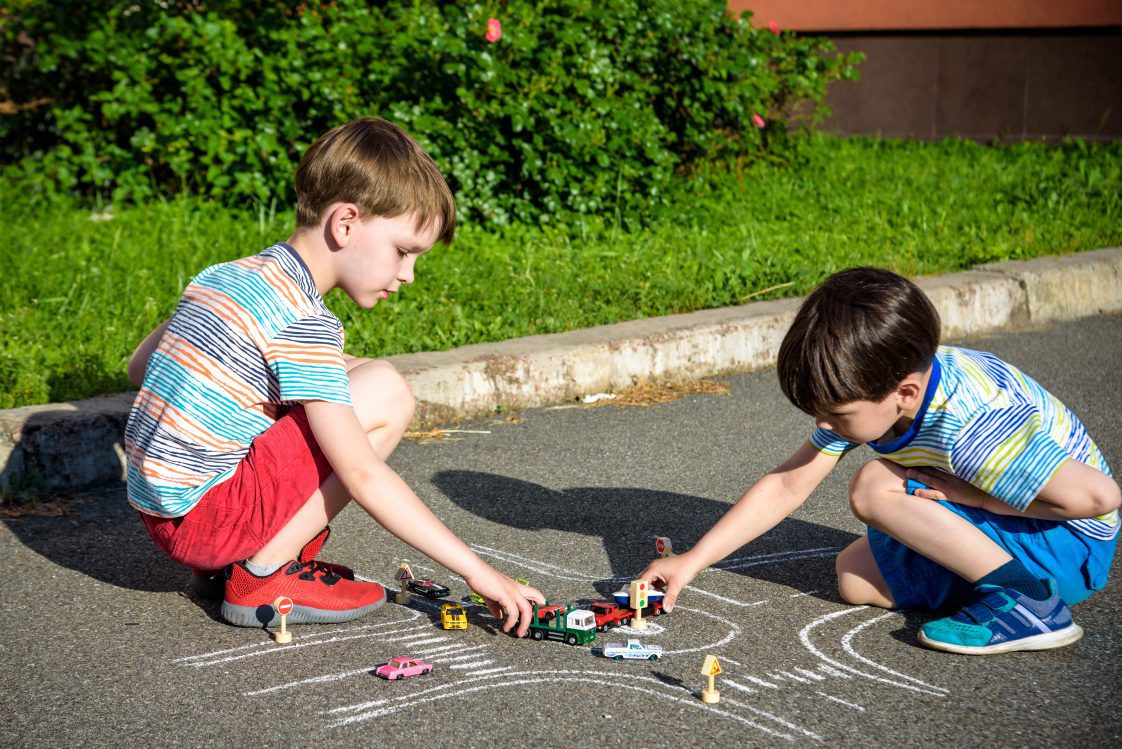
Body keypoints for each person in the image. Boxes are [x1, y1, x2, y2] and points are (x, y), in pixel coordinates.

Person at [125, 117, 544, 632]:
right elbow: (364, 474)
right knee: (386, 390)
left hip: (161, 514)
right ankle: (264, 573)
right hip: (211, 521)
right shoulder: (304, 319)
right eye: (403, 251)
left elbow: (139, 366)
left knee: (357, 374)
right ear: (345, 223)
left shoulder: (228, 276)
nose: (408, 274)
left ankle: (230, 568)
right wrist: (482, 575)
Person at [640, 267, 1119, 654]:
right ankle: (991, 576)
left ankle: (1029, 601)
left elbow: (1099, 498)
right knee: (857, 576)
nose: (824, 424)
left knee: (874, 485)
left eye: (837, 414)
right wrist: (693, 561)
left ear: (903, 392)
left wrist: (973, 497)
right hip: (1029, 531)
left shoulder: (971, 425)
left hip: (1071, 545)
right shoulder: (882, 385)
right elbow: (788, 485)